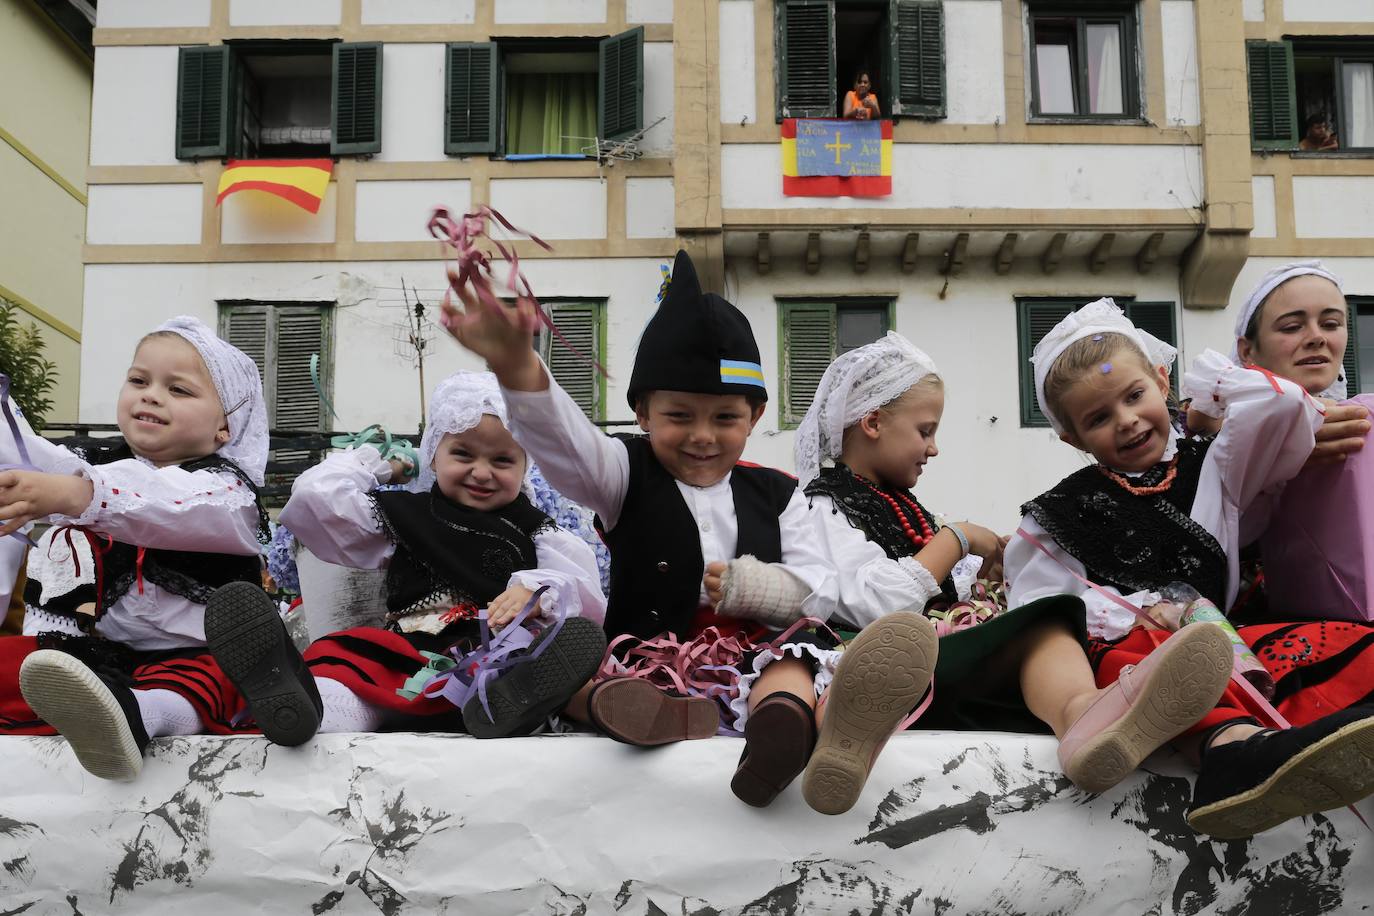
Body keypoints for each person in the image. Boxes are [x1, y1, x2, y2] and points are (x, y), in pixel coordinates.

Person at [446, 249, 927, 811]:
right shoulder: (623, 473)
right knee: (584, 662)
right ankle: (617, 707)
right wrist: (517, 367)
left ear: (756, 415)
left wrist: (767, 587)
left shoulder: (782, 494)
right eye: (679, 416)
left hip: (751, 658)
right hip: (644, 656)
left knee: (797, 656)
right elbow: (564, 443)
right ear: (643, 414)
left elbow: (821, 578)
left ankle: (780, 734)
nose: (702, 436)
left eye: (724, 417)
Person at [794, 331, 1233, 813]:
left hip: (943, 665)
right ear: (873, 422)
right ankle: (848, 729)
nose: (933, 448)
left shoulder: (908, 509)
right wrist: (958, 538)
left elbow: (940, 588)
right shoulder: (819, 505)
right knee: (1040, 623)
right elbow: (874, 604)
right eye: (926, 431)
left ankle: (1083, 717)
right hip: (876, 660)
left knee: (1047, 622)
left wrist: (984, 570)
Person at [1005, 299, 1374, 838]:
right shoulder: (1057, 513)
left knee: (1338, 641)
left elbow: (1283, 407)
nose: (1127, 421)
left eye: (1135, 395)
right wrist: (1129, 613)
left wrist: (1207, 402)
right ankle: (1231, 755)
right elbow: (1041, 606)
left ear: (1161, 378)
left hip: (1230, 642)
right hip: (1137, 651)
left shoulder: (1214, 464)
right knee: (1177, 663)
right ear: (1070, 438)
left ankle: (1334, 732)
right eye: (1098, 418)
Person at [212, 371, 608, 741]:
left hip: (494, 655)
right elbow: (314, 499)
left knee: (524, 666)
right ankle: (306, 712)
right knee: (351, 668)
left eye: (502, 460)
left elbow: (582, 590)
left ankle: (506, 706)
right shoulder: (402, 514)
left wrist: (534, 591)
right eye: (463, 454)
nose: (482, 472)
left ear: (525, 466)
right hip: (406, 655)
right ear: (433, 454)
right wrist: (385, 467)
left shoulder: (537, 528)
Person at [2, 317, 284, 781]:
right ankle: (84, 705)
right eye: (138, 380)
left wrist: (75, 495)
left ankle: (129, 719)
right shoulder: (95, 465)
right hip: (95, 657)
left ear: (225, 428)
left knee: (200, 688)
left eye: (180, 390)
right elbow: (28, 454)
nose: (151, 394)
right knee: (21, 664)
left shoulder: (229, 493)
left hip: (195, 658)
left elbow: (162, 504)